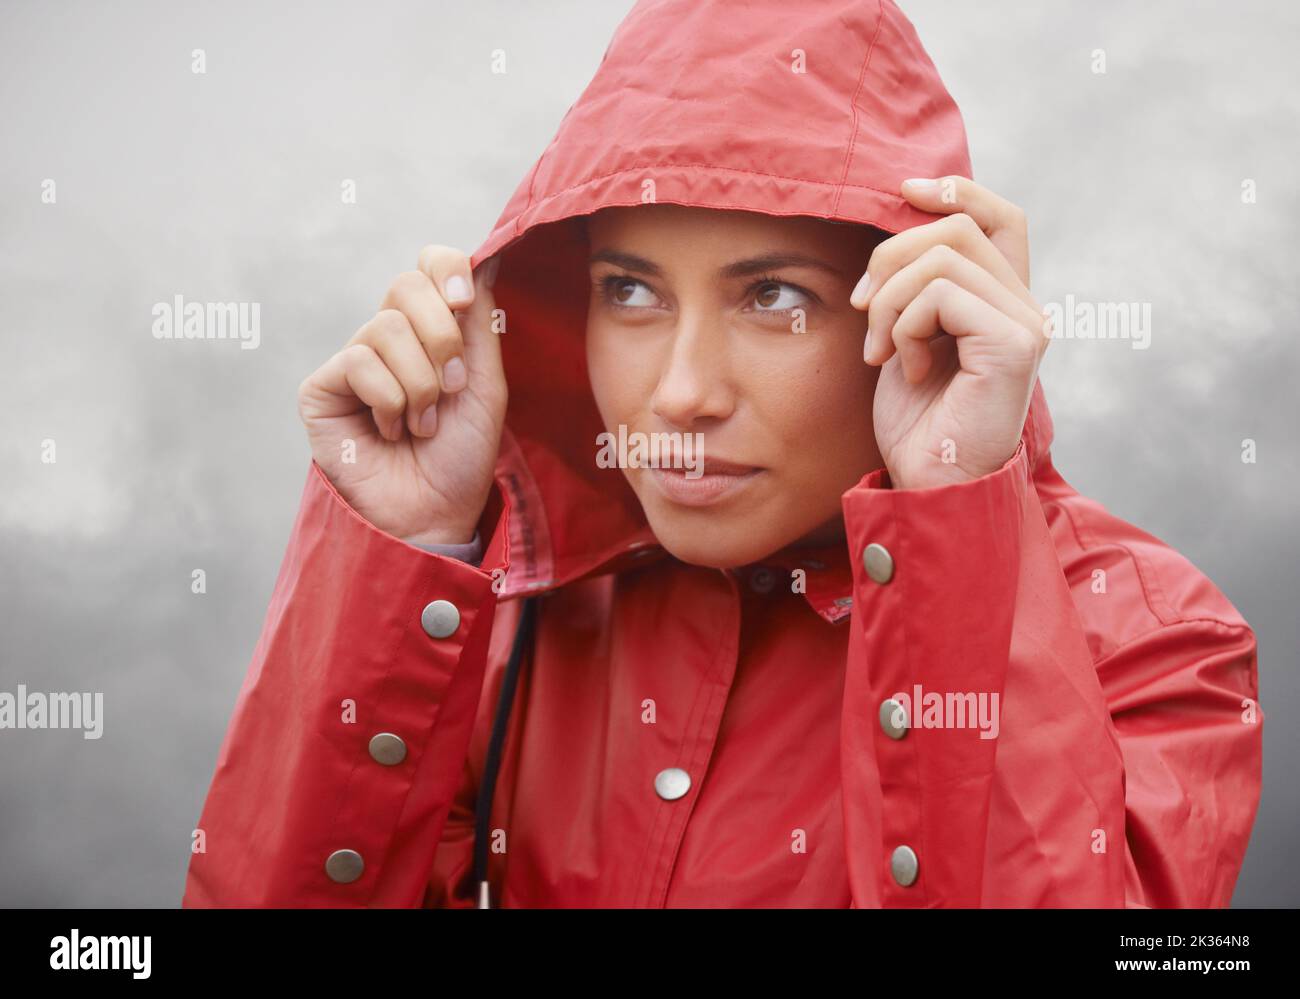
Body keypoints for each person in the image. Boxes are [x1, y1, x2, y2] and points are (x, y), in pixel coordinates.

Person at [182, 0, 1262, 908]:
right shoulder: (499, 612)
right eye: (631, 292)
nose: (680, 392)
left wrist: (953, 526)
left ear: (917, 309)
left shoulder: (1158, 646)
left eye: (773, 296)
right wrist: (397, 555)